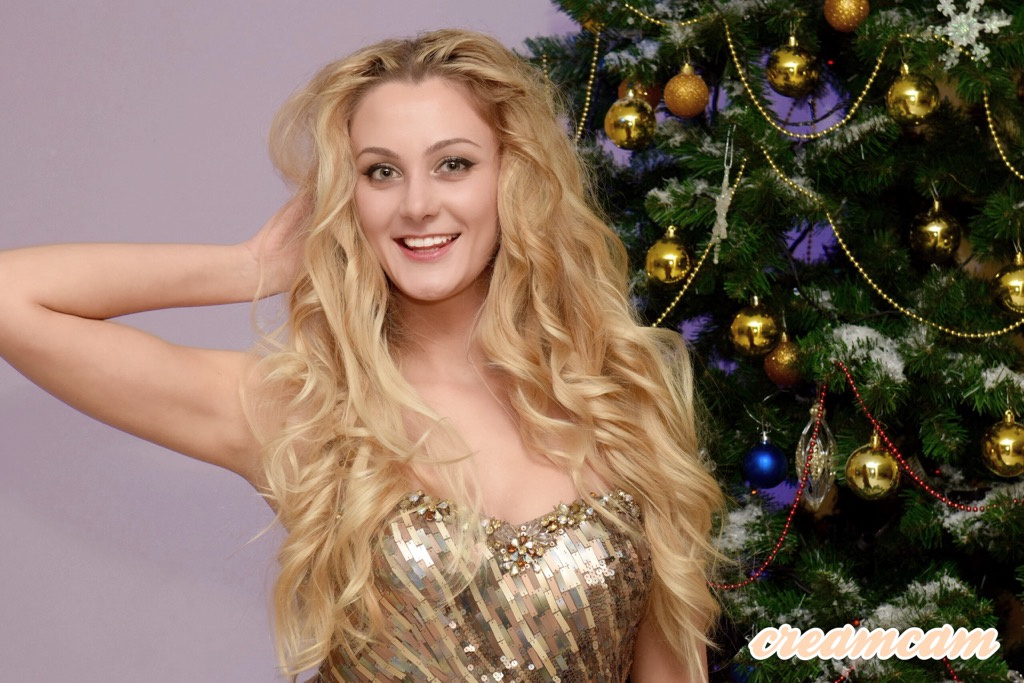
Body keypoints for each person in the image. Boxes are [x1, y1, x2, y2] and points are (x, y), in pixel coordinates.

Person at [0, 29, 725, 682]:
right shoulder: (305, 408)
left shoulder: (620, 400)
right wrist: (247, 266)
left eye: (453, 164)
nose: (417, 204)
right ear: (347, 196)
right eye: (381, 171)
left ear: (513, 177)